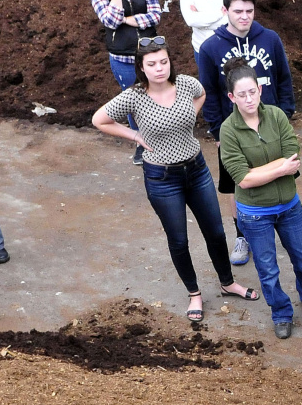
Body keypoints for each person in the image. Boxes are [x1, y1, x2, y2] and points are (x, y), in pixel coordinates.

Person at [92, 36, 258, 324]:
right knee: (179, 240)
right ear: (142, 68)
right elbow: (99, 120)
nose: (159, 68)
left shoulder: (185, 84)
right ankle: (194, 293)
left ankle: (227, 282)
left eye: (164, 62)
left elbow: (202, 93)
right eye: (152, 64)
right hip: (162, 178)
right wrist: (135, 136)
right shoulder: (134, 96)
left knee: (216, 233)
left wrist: (189, 118)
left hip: (196, 169)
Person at [219, 59, 302, 339]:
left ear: (260, 90)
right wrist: (280, 168)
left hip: (289, 206)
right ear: (231, 97)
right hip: (255, 212)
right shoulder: (228, 130)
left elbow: (292, 153)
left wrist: (268, 170)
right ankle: (281, 313)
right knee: (268, 269)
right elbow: (242, 178)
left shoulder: (276, 115)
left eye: (252, 91)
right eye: (242, 94)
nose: (248, 99)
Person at [198, 0, 295, 268]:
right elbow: (210, 92)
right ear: (224, 10)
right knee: (235, 184)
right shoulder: (210, 48)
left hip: (270, 124)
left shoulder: (270, 39)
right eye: (238, 11)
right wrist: (216, 130)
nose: (244, 16)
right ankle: (242, 234)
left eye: (249, 11)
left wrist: (285, 114)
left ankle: (283, 228)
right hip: (232, 132)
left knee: (280, 171)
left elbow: (283, 79)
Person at [88, 0, 162, 166]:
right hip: (122, 57)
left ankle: (161, 137)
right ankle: (141, 142)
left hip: (149, 53)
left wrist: (130, 20)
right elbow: (109, 20)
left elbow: (156, 14)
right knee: (133, 101)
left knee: (157, 95)